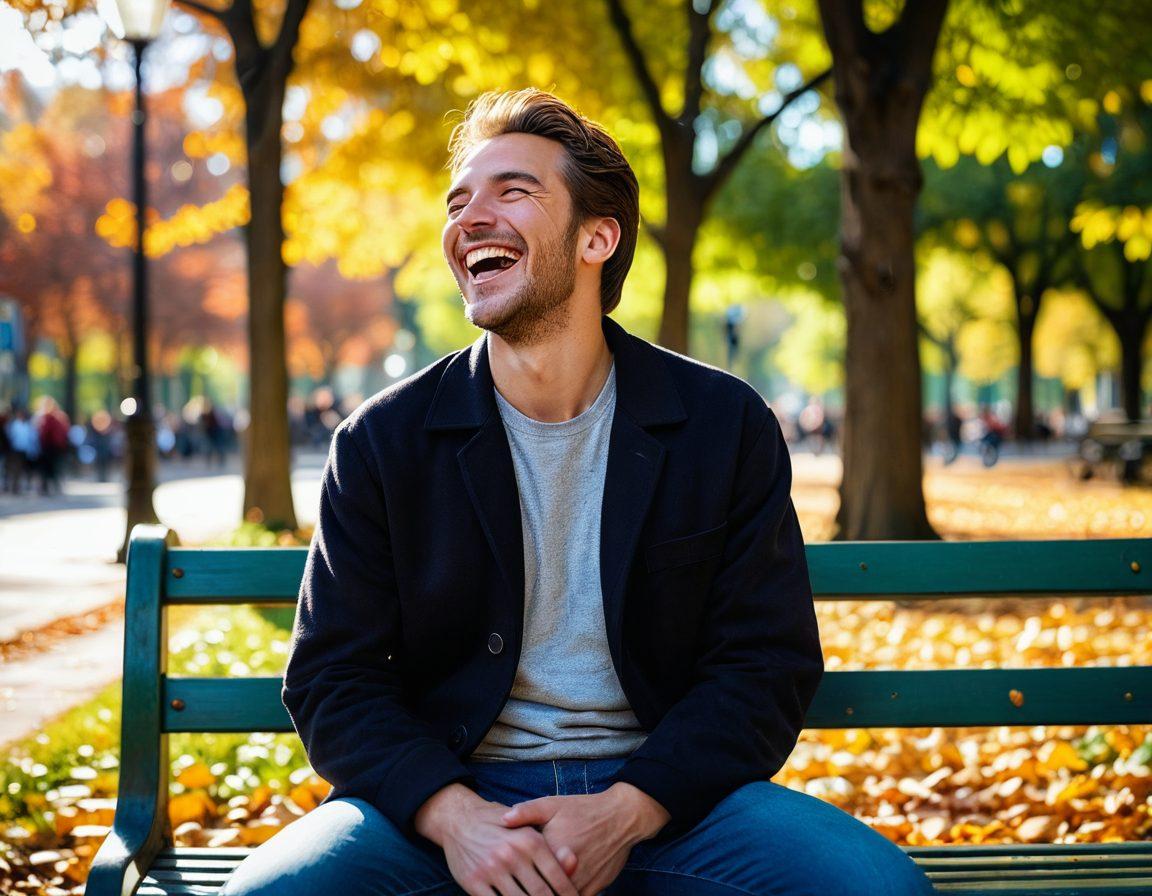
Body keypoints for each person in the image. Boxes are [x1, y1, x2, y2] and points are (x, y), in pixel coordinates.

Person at [222, 89, 934, 896]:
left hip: (671, 803)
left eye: (512, 192)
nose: (470, 219)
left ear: (598, 237)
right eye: (459, 202)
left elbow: (765, 665)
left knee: (882, 890)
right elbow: (333, 678)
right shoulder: (381, 442)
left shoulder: (723, 425)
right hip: (445, 805)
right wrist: (455, 819)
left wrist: (628, 810)